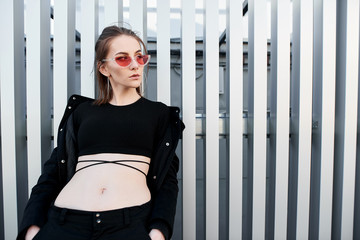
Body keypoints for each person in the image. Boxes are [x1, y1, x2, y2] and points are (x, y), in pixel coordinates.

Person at [17, 25, 185, 240]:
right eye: (123, 58)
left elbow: (167, 182)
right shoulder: (82, 112)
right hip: (64, 224)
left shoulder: (159, 114)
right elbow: (51, 174)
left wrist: (158, 232)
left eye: (140, 57)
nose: (135, 65)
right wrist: (32, 230)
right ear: (103, 68)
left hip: (128, 225)